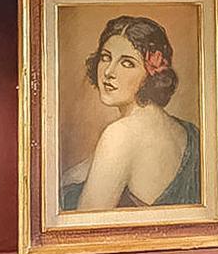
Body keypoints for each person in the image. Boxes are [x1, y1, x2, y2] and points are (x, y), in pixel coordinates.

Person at [59, 15, 200, 210]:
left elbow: (86, 221)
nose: (108, 72)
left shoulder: (120, 134)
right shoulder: (188, 130)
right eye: (106, 57)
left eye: (127, 63)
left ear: (152, 74)